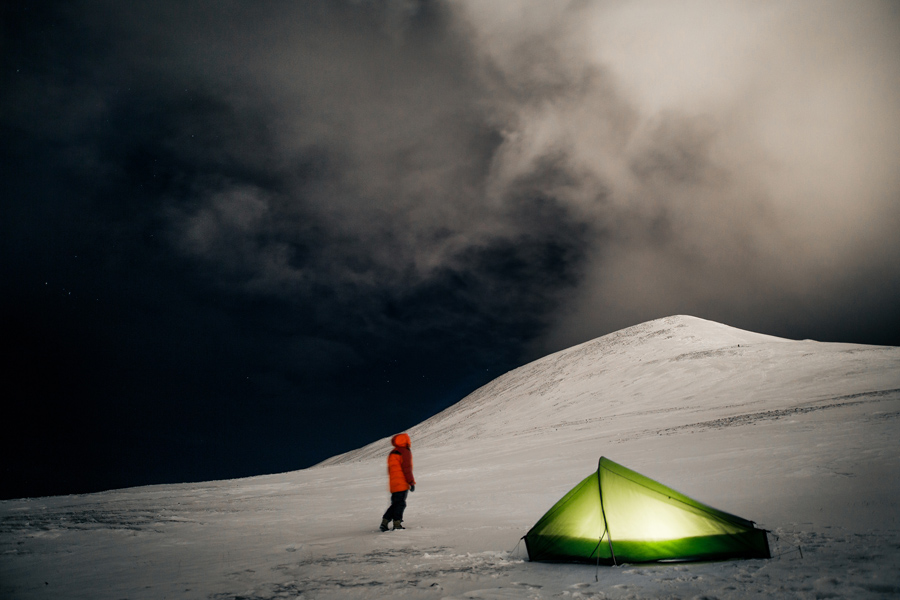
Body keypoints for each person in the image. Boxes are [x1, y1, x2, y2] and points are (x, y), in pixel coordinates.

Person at [380, 432, 416, 531]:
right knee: (400, 504)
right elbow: (406, 468)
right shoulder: (404, 451)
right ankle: (397, 523)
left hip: (394, 484)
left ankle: (385, 521)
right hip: (402, 483)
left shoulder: (394, 452)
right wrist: (411, 482)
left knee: (396, 503)